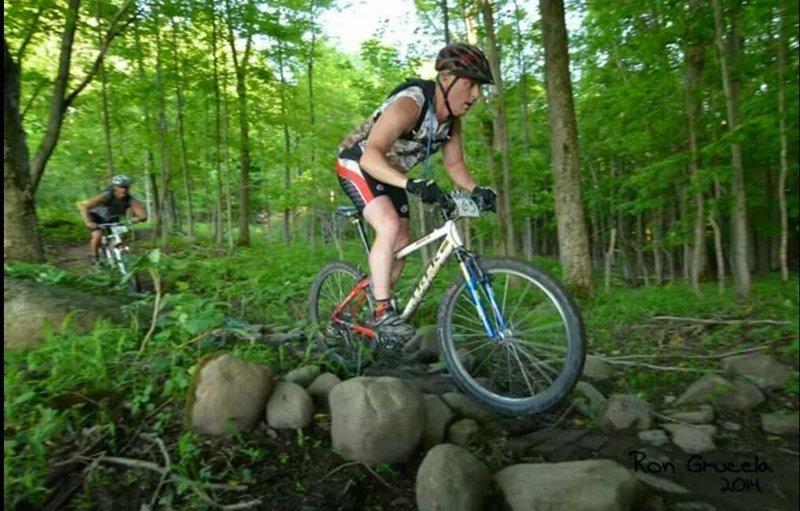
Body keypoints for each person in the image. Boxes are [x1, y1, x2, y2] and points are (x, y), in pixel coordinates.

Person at [335, 42, 498, 338]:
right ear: (446, 79)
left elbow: (455, 164)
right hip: (359, 161)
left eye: (480, 88)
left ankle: (374, 301)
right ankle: (383, 311)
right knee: (389, 225)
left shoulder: (451, 121)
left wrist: (479, 189)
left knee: (402, 243)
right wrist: (410, 184)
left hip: (390, 172)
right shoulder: (410, 104)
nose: (476, 95)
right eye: (472, 84)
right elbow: (372, 155)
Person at [78, 174, 147, 261]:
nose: (124, 190)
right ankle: (94, 256)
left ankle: (120, 257)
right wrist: (89, 222)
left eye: (126, 187)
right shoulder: (107, 195)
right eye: (121, 187)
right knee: (98, 235)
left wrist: (138, 218)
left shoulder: (130, 199)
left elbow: (141, 214)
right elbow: (85, 207)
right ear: (115, 187)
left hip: (112, 219)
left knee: (120, 237)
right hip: (96, 217)